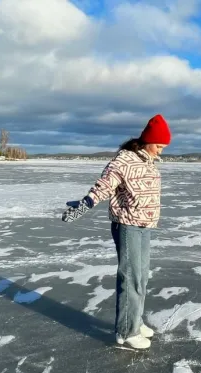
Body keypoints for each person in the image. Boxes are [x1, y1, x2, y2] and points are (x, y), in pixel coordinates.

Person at [61, 114, 171, 349]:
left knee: (141, 278)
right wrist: (85, 204)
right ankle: (127, 331)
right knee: (130, 278)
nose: (160, 151)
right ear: (148, 141)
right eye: (159, 146)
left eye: (163, 147)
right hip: (127, 225)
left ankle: (135, 321)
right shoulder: (124, 160)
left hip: (145, 226)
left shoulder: (148, 162)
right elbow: (104, 185)